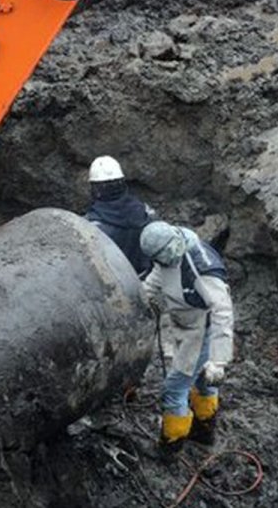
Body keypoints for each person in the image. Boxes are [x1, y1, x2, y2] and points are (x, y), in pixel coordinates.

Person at [139, 221, 234, 451]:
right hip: (184, 323)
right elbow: (155, 280)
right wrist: (141, 296)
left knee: (174, 388)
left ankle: (171, 444)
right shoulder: (167, 254)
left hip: (202, 331)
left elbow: (222, 311)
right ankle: (204, 431)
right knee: (202, 381)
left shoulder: (202, 269)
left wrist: (218, 360)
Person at [85, 156, 156, 278]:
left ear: (95, 189)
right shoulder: (147, 213)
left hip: (117, 287)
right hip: (149, 280)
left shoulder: (91, 229)